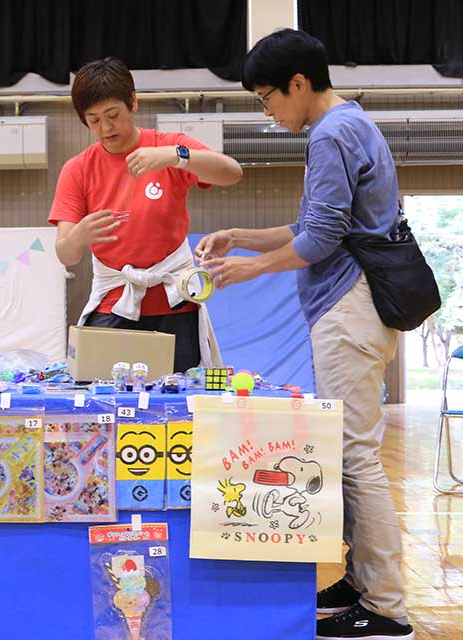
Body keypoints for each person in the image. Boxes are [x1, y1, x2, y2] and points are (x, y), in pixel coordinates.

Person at [198, 29, 412, 640]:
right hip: (351, 306)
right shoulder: (350, 124)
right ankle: (362, 582)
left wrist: (250, 269)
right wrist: (242, 236)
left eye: (267, 98)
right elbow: (314, 224)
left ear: (298, 84)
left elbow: (318, 241)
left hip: (349, 308)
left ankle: (387, 608)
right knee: (351, 453)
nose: (267, 112)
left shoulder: (331, 133)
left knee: (355, 456)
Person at [49, 57, 242, 373]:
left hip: (175, 301)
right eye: (94, 120)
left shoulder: (168, 148)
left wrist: (176, 158)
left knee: (178, 401)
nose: (106, 128)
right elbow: (66, 255)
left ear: (133, 102)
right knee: (106, 402)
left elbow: (232, 172)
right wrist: (80, 234)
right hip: (115, 301)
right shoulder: (78, 169)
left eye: (113, 115)